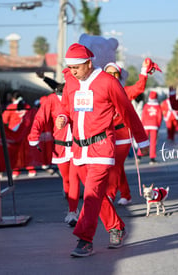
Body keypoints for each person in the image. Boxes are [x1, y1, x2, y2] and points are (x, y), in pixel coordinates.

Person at [56, 43, 149, 257]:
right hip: (79, 149)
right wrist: (63, 117)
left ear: (89, 63)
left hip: (102, 147)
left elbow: (127, 111)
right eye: (70, 68)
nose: (72, 72)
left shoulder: (108, 82)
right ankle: (116, 227)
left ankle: (85, 240)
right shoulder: (71, 82)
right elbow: (66, 106)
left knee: (90, 194)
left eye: (76, 68)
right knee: (96, 195)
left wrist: (142, 140)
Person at [28, 78, 81, 227]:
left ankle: (72, 211)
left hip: (78, 145)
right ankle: (70, 198)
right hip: (60, 147)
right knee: (67, 179)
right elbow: (40, 118)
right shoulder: (51, 100)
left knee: (74, 178)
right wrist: (34, 136)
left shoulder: (77, 96)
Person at [103, 60, 150, 206]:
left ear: (120, 75)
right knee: (118, 167)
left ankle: (109, 195)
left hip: (123, 135)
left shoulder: (125, 91)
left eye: (114, 73)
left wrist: (144, 70)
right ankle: (126, 195)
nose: (111, 76)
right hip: (107, 136)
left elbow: (139, 87)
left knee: (115, 165)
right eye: (108, 73)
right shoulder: (101, 91)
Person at [140, 90, 163, 164]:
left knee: (143, 141)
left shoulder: (146, 106)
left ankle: (139, 156)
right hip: (154, 126)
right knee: (153, 142)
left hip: (146, 125)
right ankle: (152, 159)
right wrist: (158, 125)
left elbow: (143, 116)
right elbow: (159, 117)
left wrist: (142, 124)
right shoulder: (158, 106)